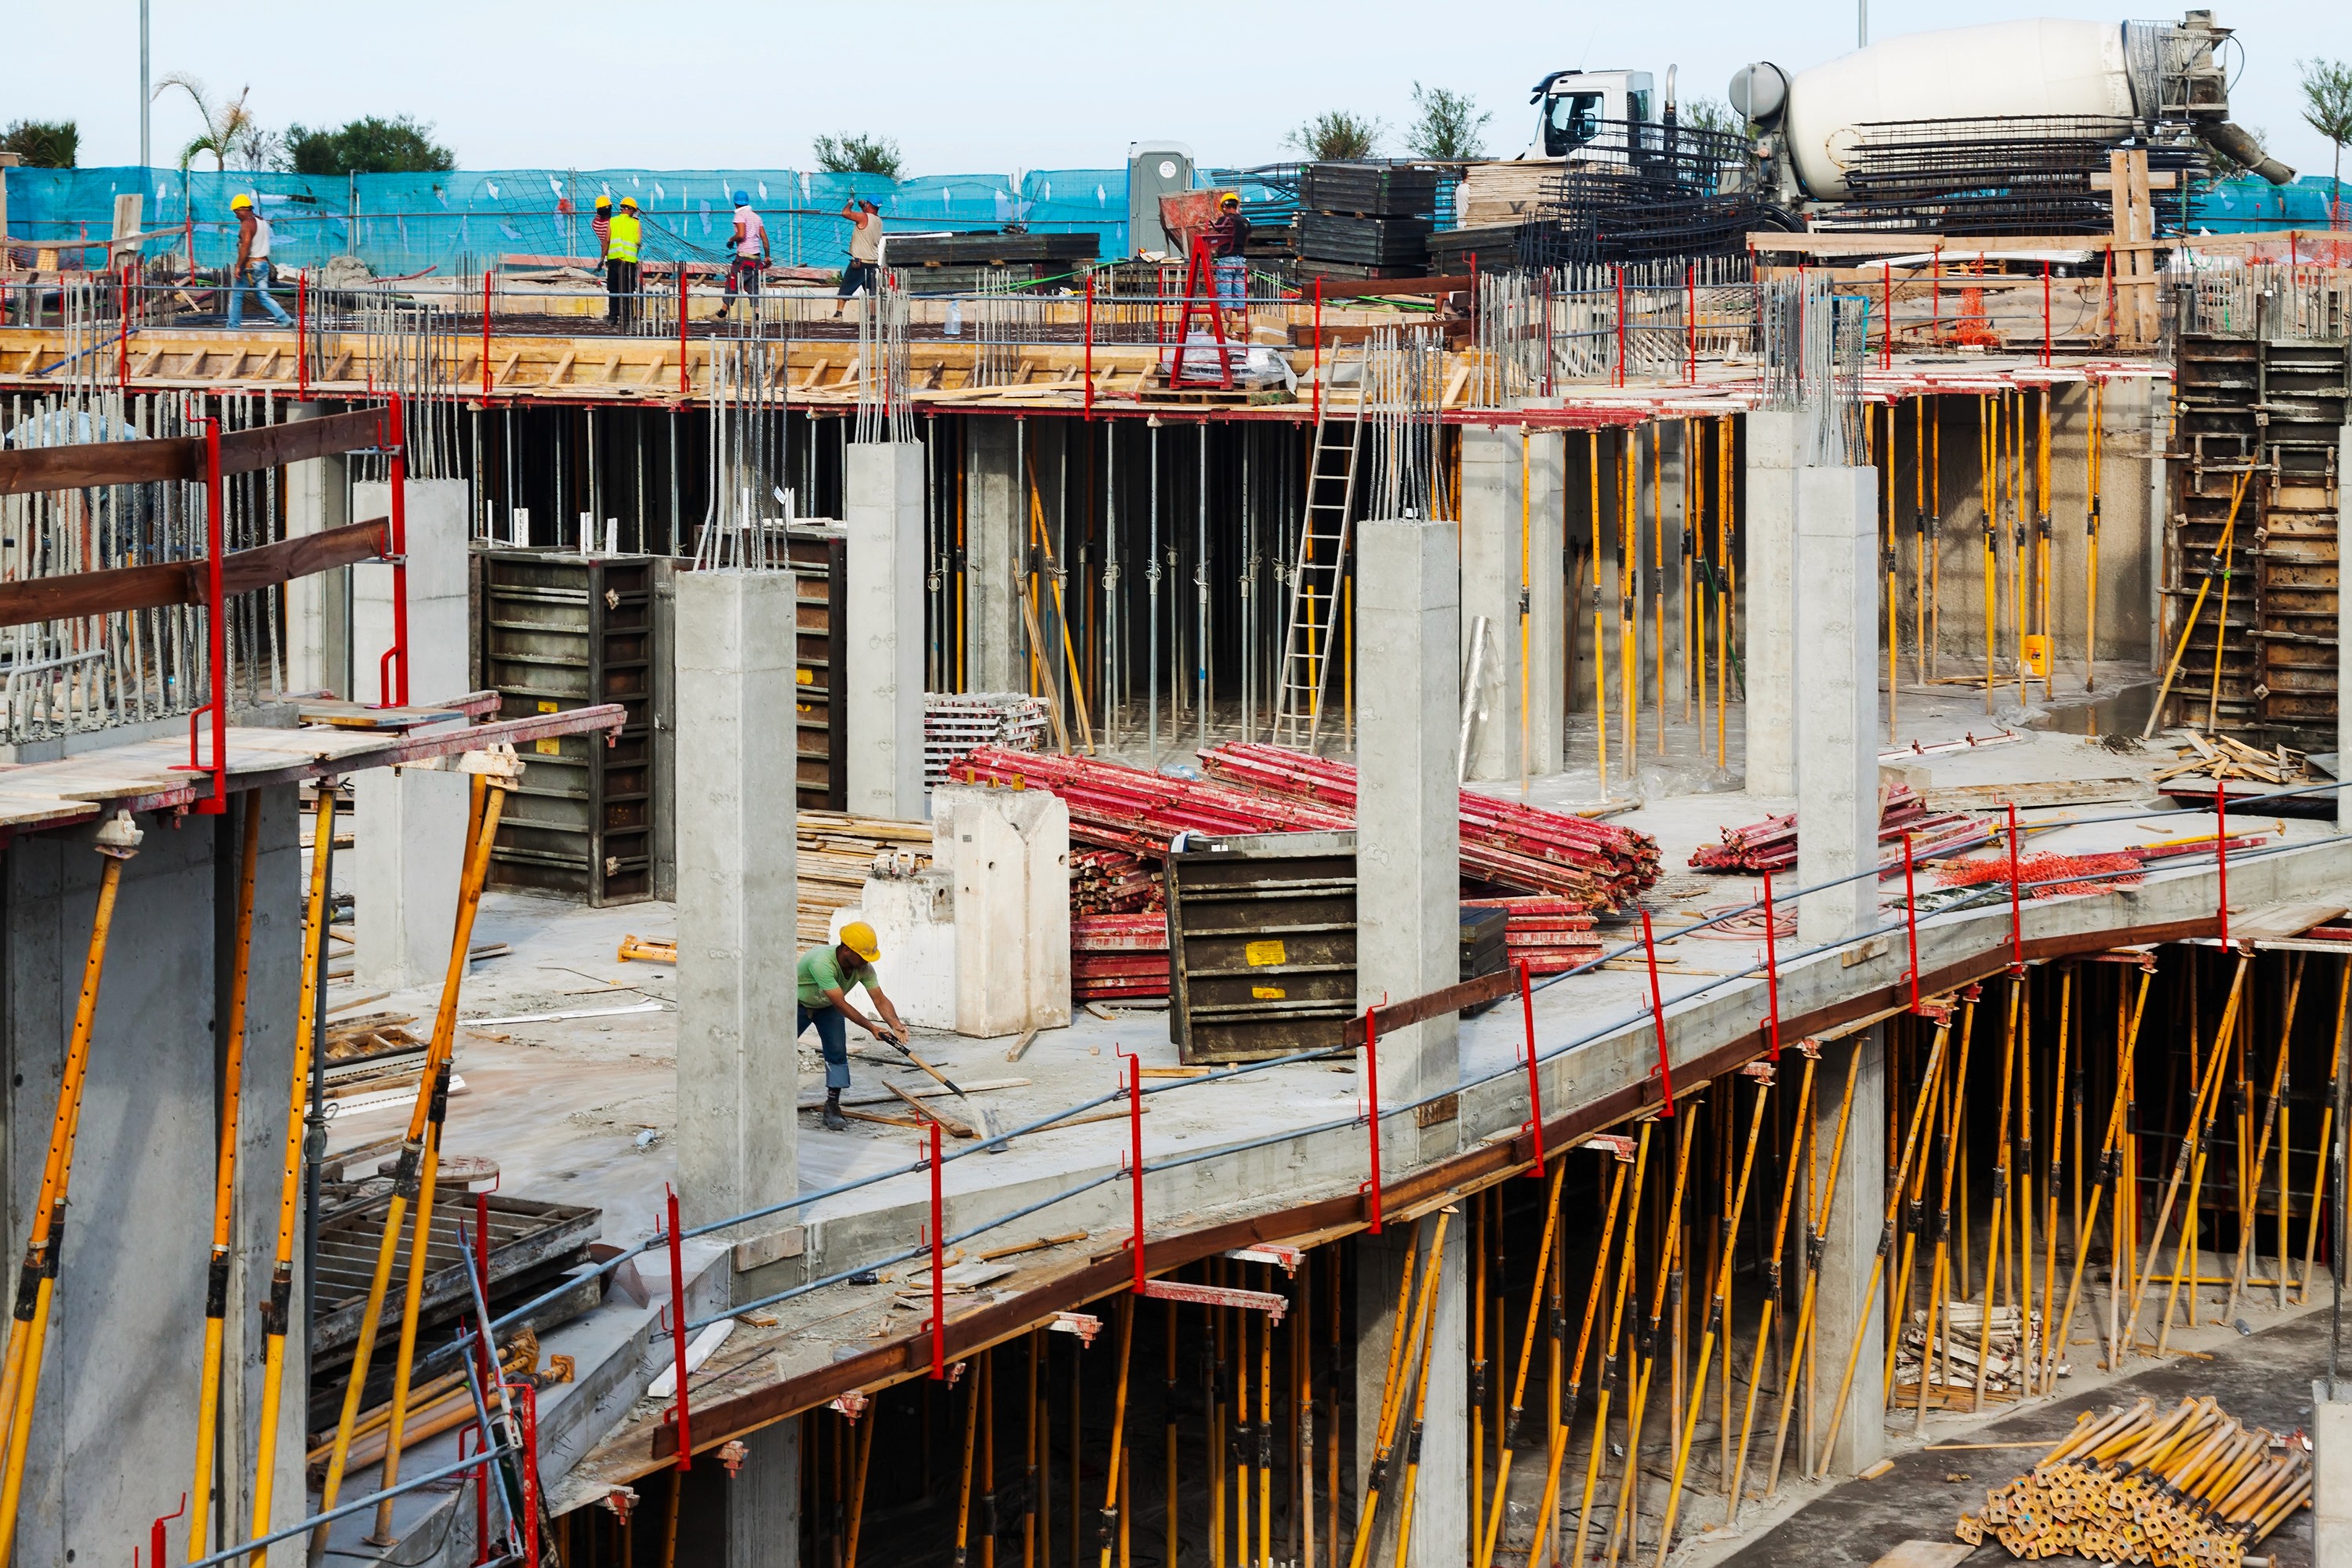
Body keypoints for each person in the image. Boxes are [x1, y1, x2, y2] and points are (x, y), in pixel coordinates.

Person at [797, 921, 908, 1130]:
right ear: (846, 949)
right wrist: (872, 1027)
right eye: (862, 955)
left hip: (827, 1007)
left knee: (837, 1052)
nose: (866, 960)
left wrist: (895, 1023)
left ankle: (832, 1105)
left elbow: (879, 998)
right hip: (797, 1005)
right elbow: (841, 1003)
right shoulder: (821, 961)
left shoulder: (863, 967)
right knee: (777, 1051)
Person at [226, 192, 293, 328]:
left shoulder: (247, 224)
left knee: (237, 296)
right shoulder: (262, 221)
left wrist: (239, 266)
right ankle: (285, 319)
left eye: (236, 212)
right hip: (263, 264)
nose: (236, 215)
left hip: (250, 265)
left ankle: (233, 326)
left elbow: (246, 245)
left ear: (242, 209)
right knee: (263, 296)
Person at [1203, 191, 1250, 334]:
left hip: (1226, 260)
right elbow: (1246, 240)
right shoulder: (1245, 222)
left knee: (1225, 293)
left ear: (1224, 206)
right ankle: (1242, 328)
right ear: (1236, 205)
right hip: (1241, 261)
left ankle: (1227, 328)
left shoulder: (1223, 221)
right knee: (1240, 294)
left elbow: (1217, 238)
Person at [720, 189, 767, 319]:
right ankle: (757, 316)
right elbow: (764, 239)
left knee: (732, 281)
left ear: (735, 204)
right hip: (756, 258)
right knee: (754, 286)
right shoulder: (757, 217)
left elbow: (741, 235)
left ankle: (722, 314)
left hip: (743, 257)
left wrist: (731, 240)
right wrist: (767, 256)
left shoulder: (740, 215)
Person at [833, 198, 884, 318]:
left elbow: (845, 213)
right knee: (871, 291)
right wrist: (862, 205)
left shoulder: (863, 217)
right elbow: (868, 215)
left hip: (860, 263)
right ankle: (873, 316)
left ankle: (838, 314)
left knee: (845, 288)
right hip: (872, 263)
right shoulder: (878, 220)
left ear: (869, 204)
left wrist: (850, 203)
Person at [606, 196, 642, 331]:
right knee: (628, 291)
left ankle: (613, 317)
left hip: (615, 261)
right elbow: (638, 242)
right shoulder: (636, 224)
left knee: (613, 290)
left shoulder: (613, 221)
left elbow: (607, 240)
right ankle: (627, 318)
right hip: (629, 263)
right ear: (632, 210)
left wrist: (602, 257)